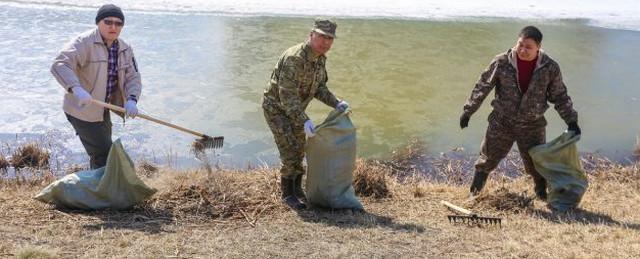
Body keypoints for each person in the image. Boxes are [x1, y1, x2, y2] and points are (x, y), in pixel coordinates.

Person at [460, 26, 580, 200]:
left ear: (538, 47)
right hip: (502, 122)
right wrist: (468, 111)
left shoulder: (549, 67)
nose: (522, 50)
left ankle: (541, 195)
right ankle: (474, 194)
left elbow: (559, 95)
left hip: (533, 125)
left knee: (537, 164)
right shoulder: (502, 61)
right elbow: (483, 85)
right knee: (487, 160)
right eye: (520, 45)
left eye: (528, 47)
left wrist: (571, 121)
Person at [262, 18, 350, 210]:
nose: (326, 42)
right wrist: (305, 121)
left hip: (295, 110)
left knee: (300, 147)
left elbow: (318, 88)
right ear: (311, 35)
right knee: (290, 148)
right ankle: (287, 194)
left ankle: (297, 190)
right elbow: (287, 97)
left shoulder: (319, 59)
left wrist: (336, 103)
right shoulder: (295, 58)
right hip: (276, 109)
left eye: (330, 39)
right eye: (322, 37)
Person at [51, 4, 141, 169]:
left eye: (118, 23)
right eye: (108, 21)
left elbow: (132, 77)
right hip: (81, 109)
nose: (113, 26)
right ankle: (102, 190)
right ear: (98, 22)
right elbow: (60, 64)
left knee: (102, 155)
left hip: (103, 109)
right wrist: (76, 88)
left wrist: (132, 99)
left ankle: (100, 188)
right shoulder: (84, 42)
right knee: (105, 154)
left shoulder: (125, 48)